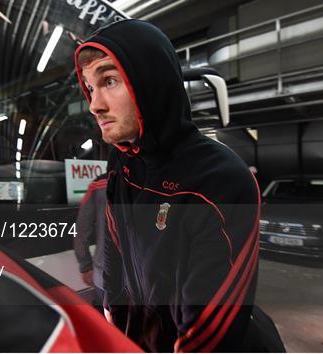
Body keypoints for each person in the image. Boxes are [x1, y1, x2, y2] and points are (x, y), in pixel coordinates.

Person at [74, 19, 261, 352]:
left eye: (110, 80)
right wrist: (118, 334)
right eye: (90, 87)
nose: (95, 104)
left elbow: (210, 337)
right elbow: (115, 255)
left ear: (151, 82)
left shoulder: (220, 179)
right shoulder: (122, 163)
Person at [74, 173, 107, 309]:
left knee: (107, 325)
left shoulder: (98, 184)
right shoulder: (150, 180)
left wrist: (85, 265)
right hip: (143, 275)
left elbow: (82, 229)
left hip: (105, 272)